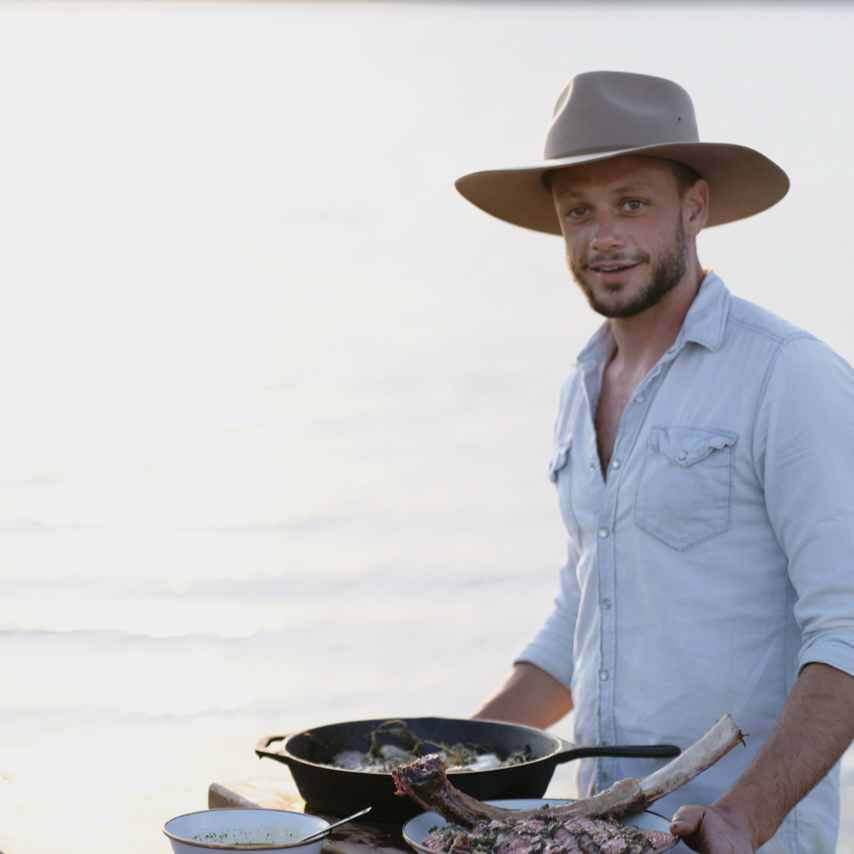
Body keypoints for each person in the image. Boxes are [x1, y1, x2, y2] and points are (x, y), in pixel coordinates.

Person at [458, 72, 854, 854]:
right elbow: (585, 610)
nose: (603, 237)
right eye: (579, 211)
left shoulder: (790, 375)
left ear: (696, 208)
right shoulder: (581, 386)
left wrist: (743, 816)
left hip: (743, 841)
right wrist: (450, 760)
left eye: (632, 204)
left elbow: (847, 629)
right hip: (595, 836)